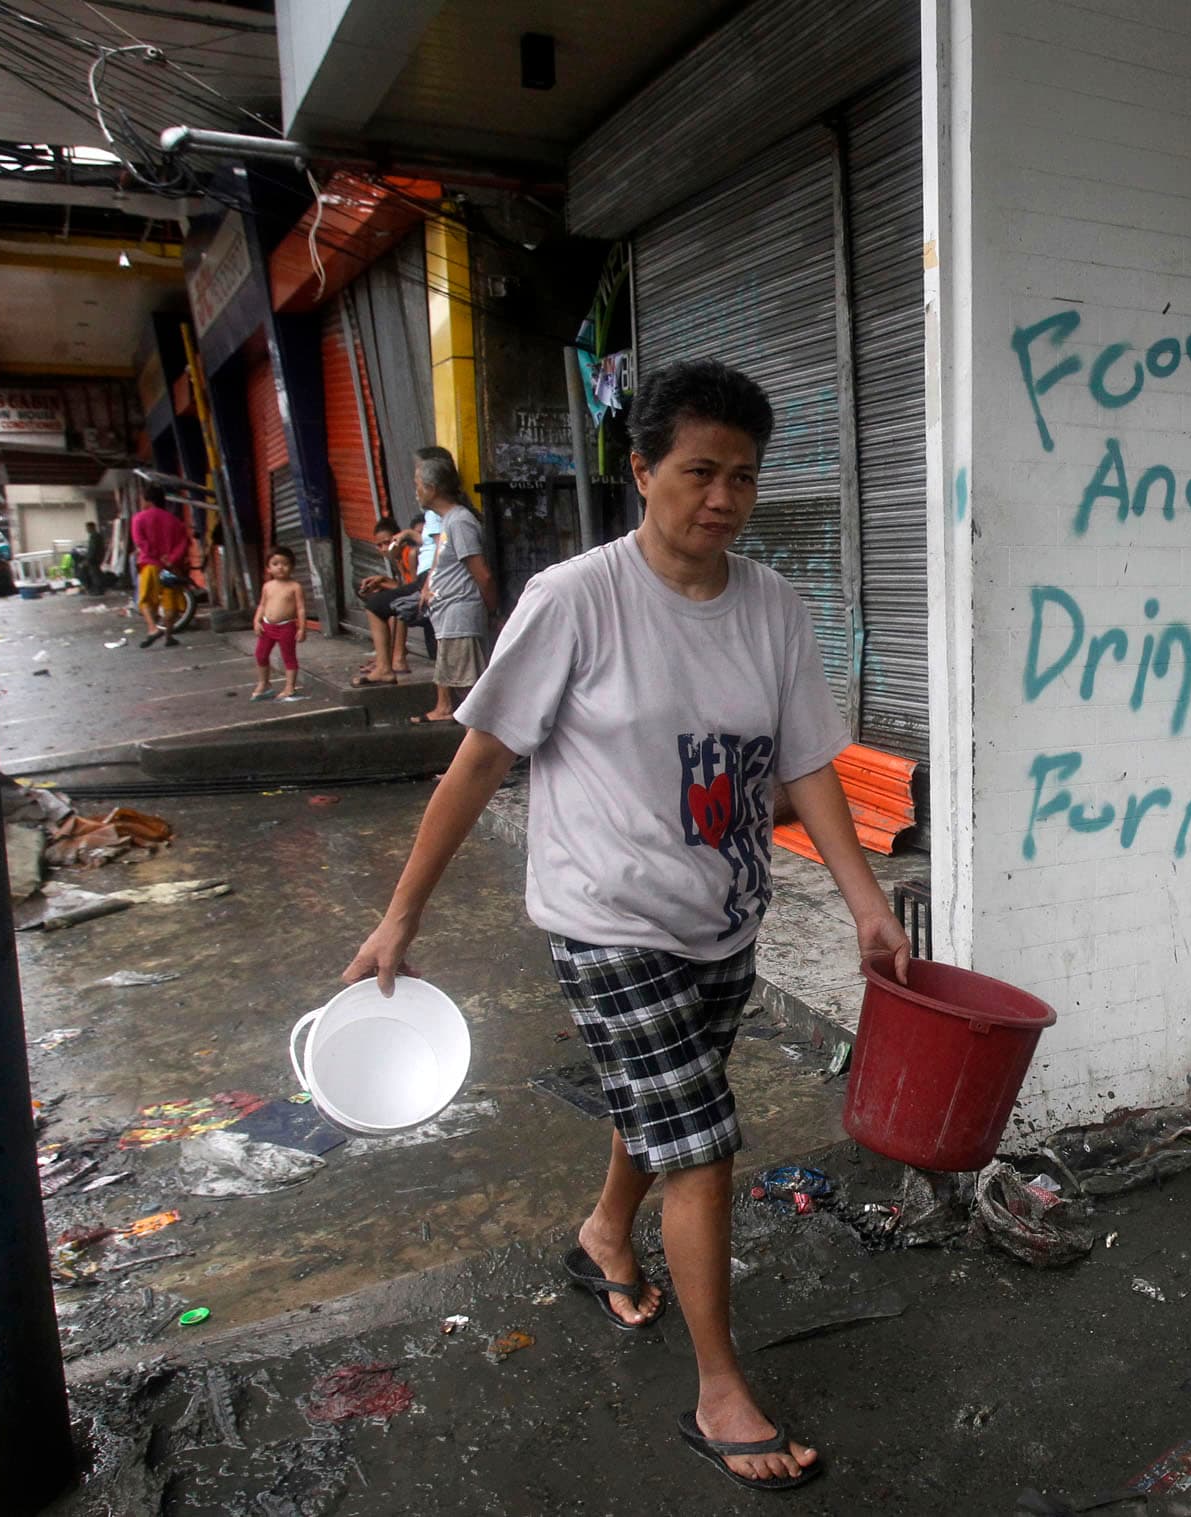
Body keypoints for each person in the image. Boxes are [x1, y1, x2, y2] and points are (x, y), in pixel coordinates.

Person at [342, 361, 909, 1492]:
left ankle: (606, 1232)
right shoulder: (574, 600)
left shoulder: (774, 608)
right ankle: (717, 1389)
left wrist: (863, 898)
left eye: (743, 477)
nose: (723, 498)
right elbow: (482, 758)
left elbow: (806, 764)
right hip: (606, 918)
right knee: (700, 1143)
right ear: (642, 471)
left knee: (662, 1100)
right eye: (699, 471)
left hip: (722, 916)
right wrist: (399, 915)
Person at [411, 447, 498, 723]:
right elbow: (441, 563)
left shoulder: (460, 522)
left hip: (461, 612)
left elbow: (482, 574)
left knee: (469, 686)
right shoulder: (450, 521)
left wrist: (493, 611)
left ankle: (498, 737)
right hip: (449, 613)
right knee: (462, 682)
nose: (416, 492)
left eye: (418, 486)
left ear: (432, 488)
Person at [352, 514, 424, 686]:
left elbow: (413, 589)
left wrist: (384, 582)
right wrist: (382, 582)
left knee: (395, 609)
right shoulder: (397, 558)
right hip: (415, 593)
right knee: (385, 607)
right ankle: (386, 659)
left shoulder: (410, 554)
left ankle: (397, 658)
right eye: (379, 545)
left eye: (387, 542)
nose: (385, 548)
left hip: (422, 598)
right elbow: (403, 586)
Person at [129, 492, 190, 647]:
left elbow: (140, 542)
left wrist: (156, 555)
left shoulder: (139, 518)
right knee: (170, 603)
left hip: (150, 565)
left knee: (145, 600)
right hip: (171, 567)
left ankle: (152, 629)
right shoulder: (175, 521)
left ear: (147, 500)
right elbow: (184, 543)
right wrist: (170, 559)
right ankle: (169, 636)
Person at [250, 547, 309, 702]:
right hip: (267, 626)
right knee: (260, 654)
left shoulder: (295, 587)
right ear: (268, 568)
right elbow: (262, 605)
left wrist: (302, 628)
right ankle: (264, 683)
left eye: (285, 564)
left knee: (288, 657)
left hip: (286, 626)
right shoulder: (267, 586)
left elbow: (301, 609)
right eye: (275, 563)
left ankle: (290, 686)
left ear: (292, 567)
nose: (280, 567)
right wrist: (257, 620)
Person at [80, 520, 106, 595]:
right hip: (96, 558)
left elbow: (93, 549)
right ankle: (99, 589)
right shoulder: (95, 536)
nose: (87, 529)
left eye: (87, 528)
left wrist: (88, 559)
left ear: (92, 527)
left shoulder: (94, 536)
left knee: (95, 574)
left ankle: (99, 590)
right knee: (96, 573)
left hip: (94, 559)